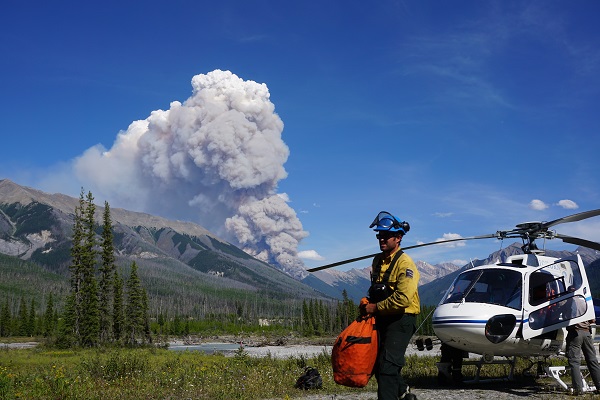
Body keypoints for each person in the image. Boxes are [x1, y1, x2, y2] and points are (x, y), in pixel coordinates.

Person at [361, 211, 420, 400]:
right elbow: (378, 289)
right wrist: (368, 301)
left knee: (387, 367)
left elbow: (403, 299)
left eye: (386, 236)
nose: (381, 239)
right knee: (379, 364)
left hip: (402, 319)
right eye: (379, 235)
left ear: (398, 237)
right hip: (383, 318)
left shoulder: (405, 263)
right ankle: (403, 393)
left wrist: (375, 308)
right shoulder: (377, 260)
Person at [566, 293, 600, 395]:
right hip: (587, 332)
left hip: (575, 332)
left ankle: (578, 389)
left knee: (574, 361)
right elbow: (592, 320)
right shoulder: (585, 302)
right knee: (592, 360)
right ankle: (599, 386)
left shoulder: (567, 301)